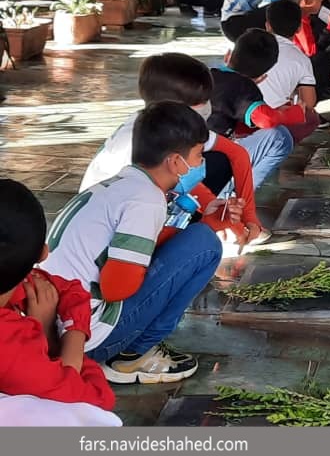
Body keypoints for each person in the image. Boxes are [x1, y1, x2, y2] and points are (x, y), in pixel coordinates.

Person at [42, 102, 225, 383]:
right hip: (85, 340)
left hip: (57, 328)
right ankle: (134, 353)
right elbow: (116, 288)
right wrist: (159, 270)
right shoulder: (146, 200)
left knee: (194, 238)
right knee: (205, 244)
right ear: (176, 162)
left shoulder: (119, 185)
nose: (201, 164)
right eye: (199, 155)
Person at [79, 53, 262, 244]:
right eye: (200, 102)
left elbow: (235, 153)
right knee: (201, 245)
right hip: (105, 234)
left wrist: (245, 217)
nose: (208, 107)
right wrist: (208, 224)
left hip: (127, 219)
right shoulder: (135, 147)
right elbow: (136, 238)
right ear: (174, 108)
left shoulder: (169, 126)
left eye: (208, 99)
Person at [0, 179, 118, 418]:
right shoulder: (11, 349)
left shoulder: (19, 283)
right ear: (43, 254)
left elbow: (70, 291)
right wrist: (49, 333)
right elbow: (96, 401)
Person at [207, 30, 305, 174]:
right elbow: (266, 119)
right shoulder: (243, 86)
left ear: (228, 55)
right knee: (279, 136)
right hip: (206, 162)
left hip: (180, 153)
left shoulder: (208, 75)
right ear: (262, 76)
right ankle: (237, 188)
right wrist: (293, 114)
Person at [258, 1, 320, 143]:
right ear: (299, 28)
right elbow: (308, 103)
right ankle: (280, 142)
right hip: (270, 120)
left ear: (267, 25)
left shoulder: (249, 44)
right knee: (311, 118)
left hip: (240, 115)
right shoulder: (301, 59)